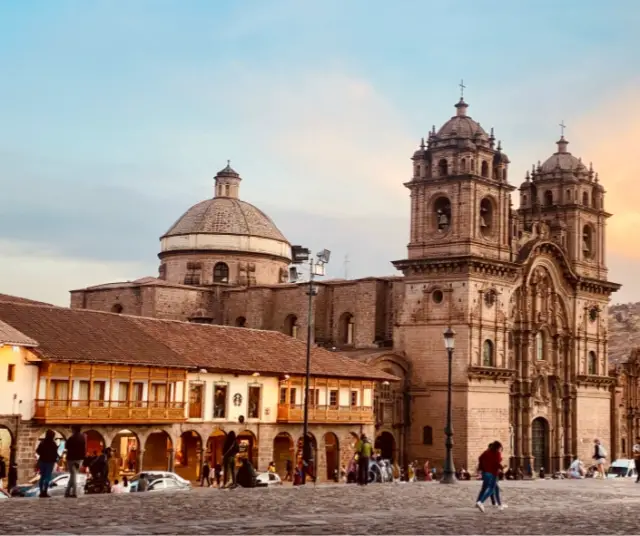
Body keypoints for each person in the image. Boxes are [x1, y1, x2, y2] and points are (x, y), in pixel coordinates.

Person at [475, 441, 504, 512]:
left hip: (486, 473)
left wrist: (482, 467)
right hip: (493, 473)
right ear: (498, 447)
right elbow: (497, 463)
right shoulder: (497, 454)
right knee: (491, 488)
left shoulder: (486, 452)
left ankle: (478, 501)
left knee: (484, 488)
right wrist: (502, 467)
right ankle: (480, 502)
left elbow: (480, 458)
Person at [65, 424, 87, 498]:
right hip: (79, 459)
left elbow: (66, 446)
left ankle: (74, 492)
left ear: (74, 429)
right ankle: (67, 492)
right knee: (73, 475)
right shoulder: (83, 438)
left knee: (73, 475)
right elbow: (84, 449)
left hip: (71, 459)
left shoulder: (71, 438)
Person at [36, 430, 59, 498]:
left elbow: (38, 451)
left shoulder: (42, 443)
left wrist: (42, 455)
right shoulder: (53, 444)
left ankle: (41, 491)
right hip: (50, 462)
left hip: (42, 461)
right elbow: (55, 454)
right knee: (47, 477)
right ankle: (45, 491)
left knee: (42, 477)